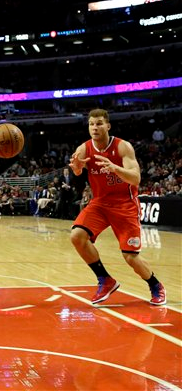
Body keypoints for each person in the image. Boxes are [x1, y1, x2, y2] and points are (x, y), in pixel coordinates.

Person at [68, 108, 166, 306]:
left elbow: (136, 178)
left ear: (108, 126)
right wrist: (77, 168)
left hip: (125, 205)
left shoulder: (123, 147)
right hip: (100, 203)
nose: (95, 128)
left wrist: (115, 169)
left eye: (99, 124)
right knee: (77, 236)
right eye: (91, 124)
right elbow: (78, 173)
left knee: (130, 257)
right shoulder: (84, 149)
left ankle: (155, 284)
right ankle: (106, 280)